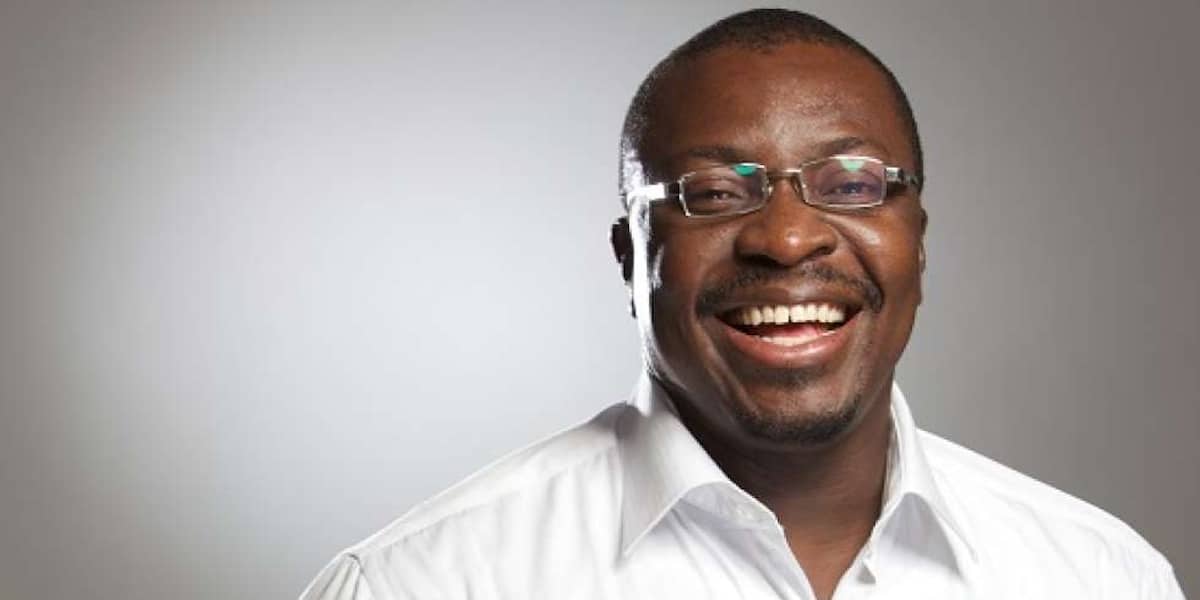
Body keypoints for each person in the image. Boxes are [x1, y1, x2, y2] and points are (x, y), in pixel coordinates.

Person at [301, 9, 1184, 599]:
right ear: (630, 259)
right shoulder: (420, 584)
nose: (788, 239)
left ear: (917, 241)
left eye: (851, 183)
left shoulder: (1102, 578)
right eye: (716, 193)